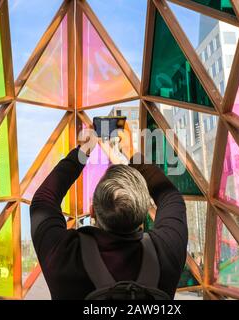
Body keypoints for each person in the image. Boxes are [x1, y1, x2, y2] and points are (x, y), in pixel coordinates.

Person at [30, 128, 188, 300]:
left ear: (92, 211)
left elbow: (43, 200)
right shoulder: (165, 252)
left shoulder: (64, 256)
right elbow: (171, 197)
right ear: (143, 214)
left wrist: (83, 151)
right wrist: (129, 151)